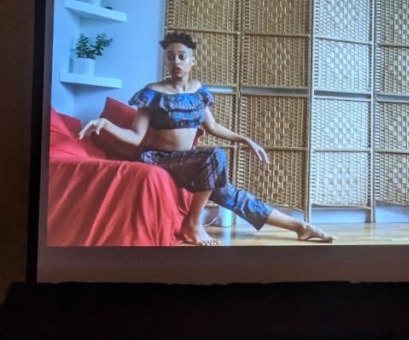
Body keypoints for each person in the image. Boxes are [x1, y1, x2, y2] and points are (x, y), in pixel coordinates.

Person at [78, 31, 334, 246]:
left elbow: (212, 126)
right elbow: (135, 138)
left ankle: (300, 227)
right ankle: (192, 224)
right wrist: (106, 124)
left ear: (192, 61)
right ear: (165, 61)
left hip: (189, 162)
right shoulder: (152, 93)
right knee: (214, 156)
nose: (176, 61)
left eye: (182, 56)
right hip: (160, 160)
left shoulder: (198, 92)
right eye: (170, 56)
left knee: (232, 194)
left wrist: (245, 139)